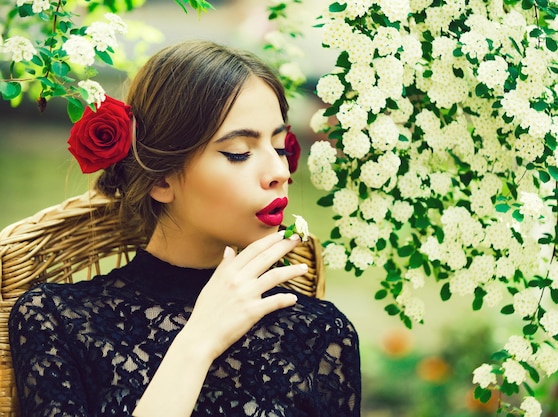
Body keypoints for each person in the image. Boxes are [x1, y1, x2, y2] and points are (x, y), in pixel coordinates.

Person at [9, 40, 361, 417]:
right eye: (239, 152)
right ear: (161, 179)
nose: (280, 172)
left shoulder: (319, 333)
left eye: (278, 146)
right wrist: (198, 341)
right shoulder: (56, 320)